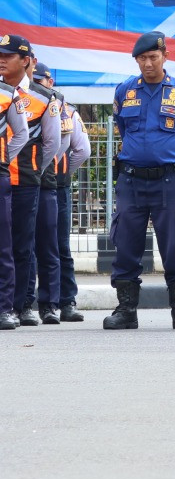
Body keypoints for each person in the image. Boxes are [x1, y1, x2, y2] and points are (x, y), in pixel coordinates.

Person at [103, 32, 175, 331]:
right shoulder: (125, 91)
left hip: (167, 181)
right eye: (142, 59)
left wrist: (167, 157)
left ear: (165, 57)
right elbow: (122, 127)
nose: (147, 63)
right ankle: (126, 310)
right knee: (126, 244)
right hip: (131, 180)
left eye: (152, 58)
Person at [1, 34, 62, 328]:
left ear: (26, 61)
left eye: (8, 56)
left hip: (25, 180)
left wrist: (33, 167)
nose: (1, 60)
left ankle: (23, 305)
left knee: (22, 246)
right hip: (2, 179)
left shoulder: (43, 97)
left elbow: (52, 143)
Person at [34, 64, 89, 322]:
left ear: (50, 80)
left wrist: (61, 172)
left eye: (39, 80)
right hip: (37, 183)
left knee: (57, 246)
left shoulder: (66, 109)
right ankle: (48, 303)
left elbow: (81, 150)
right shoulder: (24, 104)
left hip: (53, 185)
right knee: (37, 247)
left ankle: (64, 301)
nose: (35, 83)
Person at [0, 66, 29, 330]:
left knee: (3, 245)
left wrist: (4, 157)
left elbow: (22, 133)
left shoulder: (9, 94)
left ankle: (4, 309)